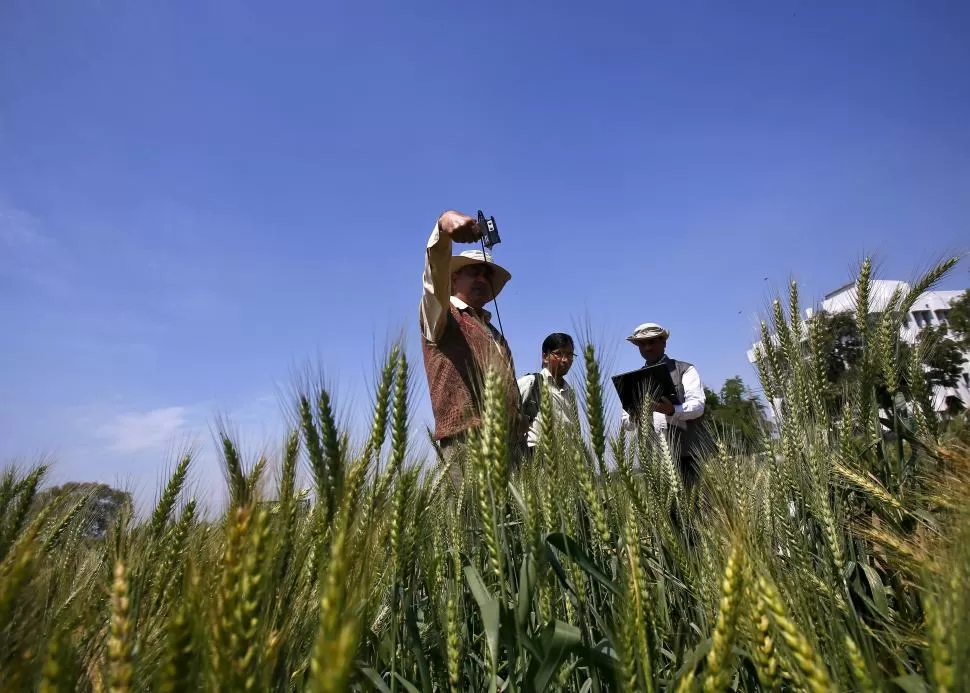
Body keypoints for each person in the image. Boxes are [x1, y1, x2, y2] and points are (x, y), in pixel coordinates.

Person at [419, 209, 522, 488]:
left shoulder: (495, 333)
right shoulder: (440, 316)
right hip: (465, 445)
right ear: (453, 280)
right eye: (472, 272)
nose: (481, 279)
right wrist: (443, 227)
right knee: (470, 527)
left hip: (510, 449)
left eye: (486, 275)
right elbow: (432, 282)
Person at [621, 322, 708, 490]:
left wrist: (673, 410)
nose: (647, 347)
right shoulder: (632, 381)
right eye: (642, 344)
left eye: (652, 342)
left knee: (698, 508)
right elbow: (626, 423)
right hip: (655, 459)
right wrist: (636, 416)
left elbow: (698, 406)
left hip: (688, 455)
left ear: (664, 343)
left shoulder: (685, 370)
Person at [517, 333, 579, 454]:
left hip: (566, 463)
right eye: (559, 354)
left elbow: (576, 433)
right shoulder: (530, 383)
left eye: (570, 355)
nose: (565, 360)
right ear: (545, 356)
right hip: (536, 458)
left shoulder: (570, 393)